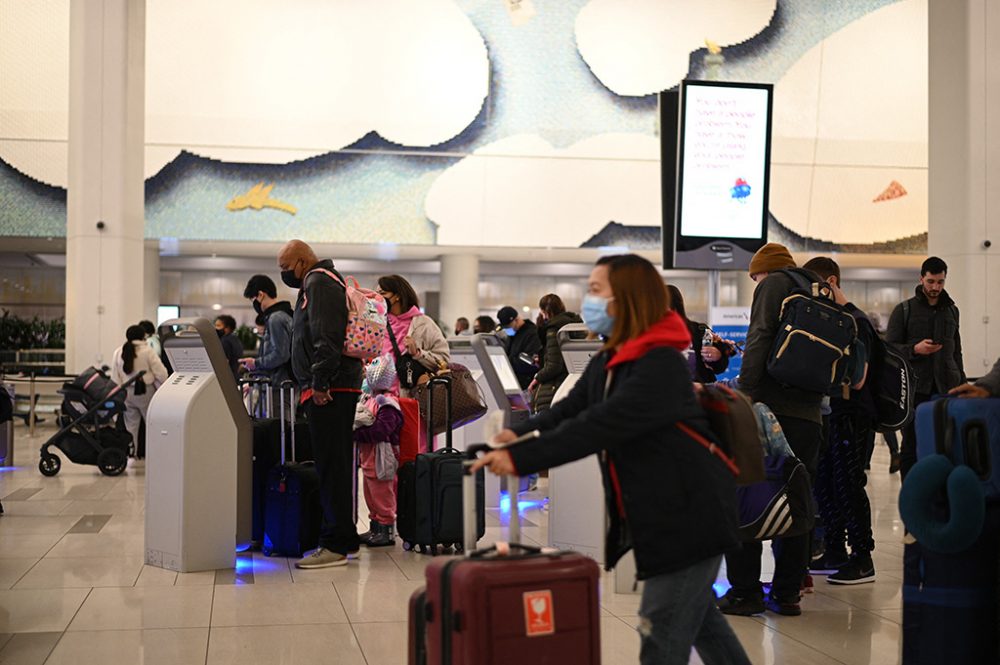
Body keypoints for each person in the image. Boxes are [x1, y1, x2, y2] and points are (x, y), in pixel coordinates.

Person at [473, 255, 749, 665]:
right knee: (702, 621)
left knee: (661, 631)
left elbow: (598, 426)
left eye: (597, 290)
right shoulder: (613, 356)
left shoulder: (659, 364)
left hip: (692, 516)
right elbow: (572, 408)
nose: (589, 299)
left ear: (627, 298)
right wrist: (520, 430)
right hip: (663, 513)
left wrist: (521, 458)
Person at [718, 243, 824, 617]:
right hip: (811, 413)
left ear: (764, 270)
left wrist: (743, 395)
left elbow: (761, 335)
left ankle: (745, 591)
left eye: (754, 277)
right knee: (797, 499)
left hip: (768, 411)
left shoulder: (774, 284)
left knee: (745, 491)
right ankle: (787, 593)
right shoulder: (818, 287)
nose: (755, 283)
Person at [279, 239, 363, 569]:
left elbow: (326, 336)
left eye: (286, 268)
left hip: (332, 389)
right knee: (335, 464)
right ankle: (344, 537)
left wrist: (320, 383)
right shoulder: (323, 280)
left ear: (301, 262)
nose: (284, 274)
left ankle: (335, 544)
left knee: (332, 466)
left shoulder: (318, 280)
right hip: (333, 386)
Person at [801, 257, 877, 585]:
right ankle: (835, 548)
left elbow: (858, 379)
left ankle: (863, 558)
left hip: (852, 416)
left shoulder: (855, 322)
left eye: (816, 286)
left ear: (832, 282)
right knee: (827, 484)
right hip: (831, 414)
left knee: (849, 484)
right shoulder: (832, 320)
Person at [885, 256, 965, 479]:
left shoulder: (951, 311)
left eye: (940, 282)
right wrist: (915, 350)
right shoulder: (904, 310)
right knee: (911, 446)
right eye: (931, 281)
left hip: (946, 390)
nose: (935, 287)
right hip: (914, 391)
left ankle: (939, 498)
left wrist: (963, 384)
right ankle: (912, 499)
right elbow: (889, 350)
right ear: (921, 279)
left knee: (946, 445)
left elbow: (956, 351)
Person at [353, 356, 404, 548]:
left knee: (383, 494)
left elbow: (382, 430)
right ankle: (375, 526)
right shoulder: (370, 399)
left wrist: (357, 434)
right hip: (369, 457)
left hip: (382, 457)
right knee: (370, 494)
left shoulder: (387, 403)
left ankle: (386, 529)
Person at [377, 275, 450, 397]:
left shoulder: (423, 324)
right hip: (380, 398)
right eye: (377, 294)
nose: (378, 298)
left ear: (397, 296)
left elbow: (443, 360)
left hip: (412, 397)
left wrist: (417, 353)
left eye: (383, 293)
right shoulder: (378, 323)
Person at [111, 324, 168, 459]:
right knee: (151, 423)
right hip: (144, 391)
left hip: (126, 392)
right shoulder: (148, 351)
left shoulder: (119, 351)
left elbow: (115, 376)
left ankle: (132, 453)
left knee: (131, 425)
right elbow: (161, 373)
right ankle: (153, 454)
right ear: (143, 336)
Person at [666, 285, 733, 384]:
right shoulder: (646, 335)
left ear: (675, 307)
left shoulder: (700, 330)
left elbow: (720, 367)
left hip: (697, 393)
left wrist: (717, 356)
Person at [529, 294, 582, 412]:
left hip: (554, 387)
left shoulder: (554, 328)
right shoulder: (573, 325)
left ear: (544, 311)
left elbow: (554, 365)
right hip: (569, 384)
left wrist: (537, 378)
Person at [240, 274, 294, 389]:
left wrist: (255, 363)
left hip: (278, 387)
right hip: (278, 385)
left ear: (260, 295)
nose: (254, 304)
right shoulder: (284, 315)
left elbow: (281, 354)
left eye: (253, 300)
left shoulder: (276, 319)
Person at [497, 305, 543, 390]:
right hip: (514, 383)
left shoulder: (532, 334)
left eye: (508, 326)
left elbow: (531, 362)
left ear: (516, 320)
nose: (507, 329)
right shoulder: (513, 335)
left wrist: (506, 361)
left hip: (527, 385)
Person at [214, 315, 243, 381]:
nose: (215, 328)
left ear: (227, 328)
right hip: (236, 376)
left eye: (218, 325)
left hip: (227, 378)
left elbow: (224, 362)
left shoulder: (225, 341)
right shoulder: (235, 339)